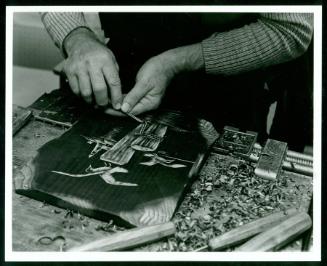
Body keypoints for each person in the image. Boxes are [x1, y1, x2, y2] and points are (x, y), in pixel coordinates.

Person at [41, 12, 313, 150]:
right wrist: (76, 37)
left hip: (224, 83)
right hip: (124, 65)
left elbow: (292, 29)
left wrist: (177, 61)